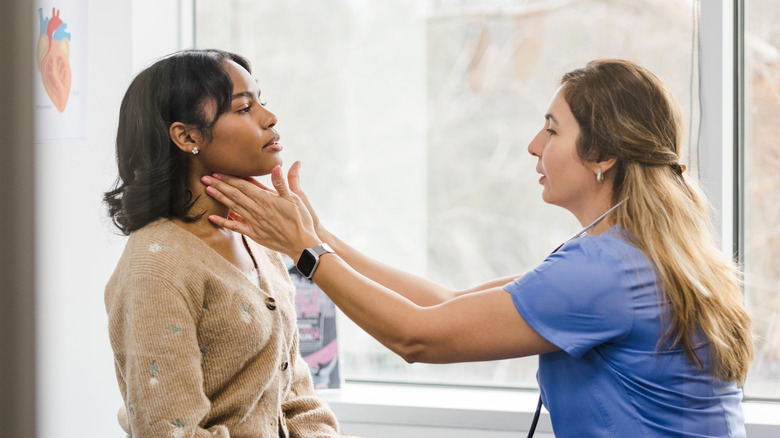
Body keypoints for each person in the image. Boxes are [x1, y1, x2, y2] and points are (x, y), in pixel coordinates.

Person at [201, 59, 754, 437]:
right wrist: (315, 237)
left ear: (603, 153)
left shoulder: (605, 272)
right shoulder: (631, 252)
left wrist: (306, 254)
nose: (533, 145)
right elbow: (446, 301)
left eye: (552, 130)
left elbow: (417, 336)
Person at [103, 49, 343, 437]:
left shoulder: (257, 239)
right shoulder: (156, 268)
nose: (270, 117)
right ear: (187, 136)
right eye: (244, 108)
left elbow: (295, 391)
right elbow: (170, 430)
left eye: (261, 101)